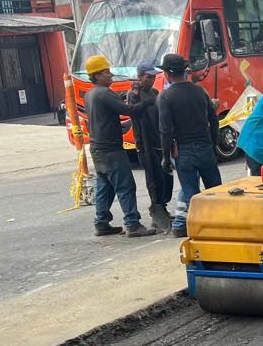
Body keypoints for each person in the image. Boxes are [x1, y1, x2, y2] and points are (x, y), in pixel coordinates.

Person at [83, 54, 156, 238]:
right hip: (111, 151)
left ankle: (101, 223)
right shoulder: (104, 93)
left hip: (97, 149)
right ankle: (133, 224)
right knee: (125, 186)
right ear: (97, 75)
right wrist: (146, 102)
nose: (111, 75)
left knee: (104, 187)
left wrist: (121, 127)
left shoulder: (90, 94)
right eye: (107, 72)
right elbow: (128, 110)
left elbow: (103, 119)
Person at [156, 53, 222, 238]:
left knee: (192, 193)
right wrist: (213, 143)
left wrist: (165, 157)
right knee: (215, 191)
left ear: (168, 74)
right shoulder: (200, 92)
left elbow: (165, 130)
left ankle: (198, 230)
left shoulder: (165, 97)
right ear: (184, 71)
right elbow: (213, 119)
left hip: (183, 151)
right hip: (205, 146)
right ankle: (219, 226)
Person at [127, 62, 174, 233]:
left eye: (153, 77)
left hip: (158, 141)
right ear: (139, 77)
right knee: (154, 179)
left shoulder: (154, 93)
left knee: (166, 177)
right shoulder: (134, 95)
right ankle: (156, 211)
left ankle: (163, 207)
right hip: (145, 145)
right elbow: (133, 112)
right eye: (148, 77)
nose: (152, 80)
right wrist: (146, 103)